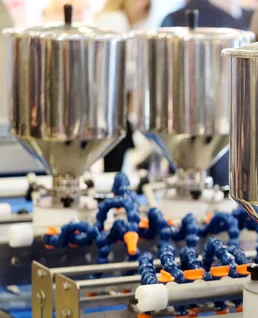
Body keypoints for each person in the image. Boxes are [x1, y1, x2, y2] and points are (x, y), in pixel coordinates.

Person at [161, 0, 246, 186]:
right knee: (223, 181)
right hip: (221, 115)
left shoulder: (170, 19)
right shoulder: (230, 21)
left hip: (175, 117)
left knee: (178, 164)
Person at [94, 0, 151, 172]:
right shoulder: (117, 21)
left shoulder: (106, 18)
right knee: (114, 165)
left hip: (106, 106)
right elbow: (125, 71)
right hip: (112, 107)